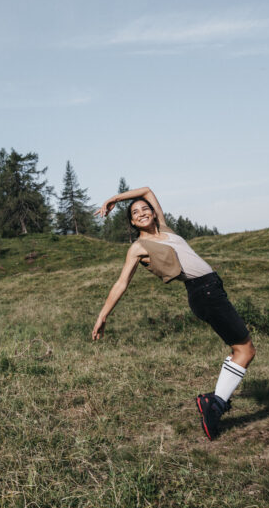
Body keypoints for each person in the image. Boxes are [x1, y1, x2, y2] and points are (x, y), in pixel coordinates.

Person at [91, 186, 255, 440]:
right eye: (135, 213)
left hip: (213, 289)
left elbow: (147, 190)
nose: (142, 213)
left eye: (145, 209)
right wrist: (103, 316)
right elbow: (121, 283)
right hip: (203, 292)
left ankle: (214, 402)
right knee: (245, 350)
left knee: (240, 351)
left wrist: (115, 198)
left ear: (153, 213)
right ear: (132, 222)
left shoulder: (166, 229)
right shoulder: (138, 247)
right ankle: (214, 406)